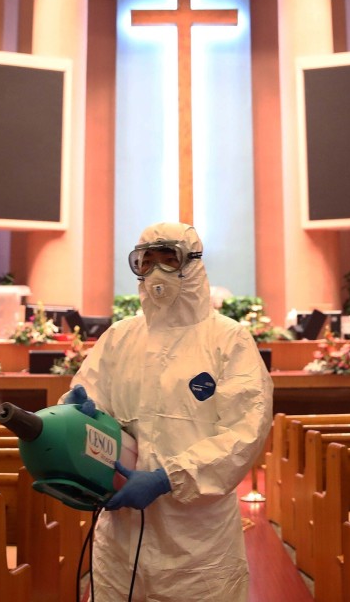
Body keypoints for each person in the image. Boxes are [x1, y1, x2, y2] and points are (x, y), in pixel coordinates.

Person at [61, 222, 273, 601]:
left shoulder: (228, 340)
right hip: (121, 533)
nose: (156, 273)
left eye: (168, 260)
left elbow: (245, 433)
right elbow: (88, 400)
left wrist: (169, 478)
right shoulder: (120, 338)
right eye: (147, 262)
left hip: (196, 540)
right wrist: (78, 417)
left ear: (191, 264)